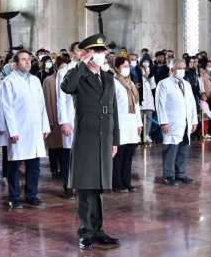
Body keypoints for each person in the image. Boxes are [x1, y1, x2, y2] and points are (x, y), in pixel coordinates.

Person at [60, 34, 120, 251]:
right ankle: (85, 232)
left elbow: (114, 111)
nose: (102, 55)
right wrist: (81, 65)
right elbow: (66, 88)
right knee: (86, 188)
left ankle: (98, 230)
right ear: (87, 54)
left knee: (98, 188)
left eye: (103, 52)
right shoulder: (77, 75)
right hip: (86, 139)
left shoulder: (109, 78)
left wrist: (116, 139)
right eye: (97, 52)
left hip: (104, 138)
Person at [0, 50, 51, 208]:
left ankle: (31, 194)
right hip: (19, 130)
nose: (28, 62)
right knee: (14, 165)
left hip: (34, 129)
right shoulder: (8, 82)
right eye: (23, 60)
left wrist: (45, 125)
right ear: (15, 64)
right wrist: (12, 130)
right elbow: (6, 108)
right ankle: (13, 197)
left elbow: (42, 105)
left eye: (29, 59)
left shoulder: (35, 80)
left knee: (34, 164)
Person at [155, 59, 198, 186]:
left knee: (183, 147)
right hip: (171, 122)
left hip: (185, 122)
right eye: (179, 68)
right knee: (170, 149)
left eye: (184, 68)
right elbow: (160, 104)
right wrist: (163, 122)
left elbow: (191, 103)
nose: (182, 71)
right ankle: (168, 175)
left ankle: (181, 174)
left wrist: (194, 120)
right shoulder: (164, 84)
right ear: (172, 69)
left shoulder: (187, 84)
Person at [112, 57, 142, 192]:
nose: (127, 68)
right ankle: (117, 183)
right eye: (124, 66)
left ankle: (127, 181)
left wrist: (139, 123)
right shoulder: (114, 83)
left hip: (131, 124)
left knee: (129, 155)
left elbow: (136, 105)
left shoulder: (131, 84)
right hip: (120, 124)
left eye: (128, 66)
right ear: (117, 67)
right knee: (119, 155)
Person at [57, 42, 82, 199]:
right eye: (80, 50)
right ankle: (68, 184)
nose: (82, 53)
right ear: (72, 53)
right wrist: (64, 121)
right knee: (69, 154)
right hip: (70, 118)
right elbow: (61, 99)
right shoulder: (65, 71)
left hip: (86, 119)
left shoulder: (89, 70)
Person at [43, 56, 66, 182]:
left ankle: (63, 170)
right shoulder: (49, 81)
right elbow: (47, 101)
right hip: (53, 118)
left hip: (65, 120)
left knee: (64, 148)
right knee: (53, 147)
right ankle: (54, 169)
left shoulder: (68, 79)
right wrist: (49, 121)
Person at [139, 60, 156, 144]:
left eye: (146, 70)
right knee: (139, 120)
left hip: (149, 102)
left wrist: (150, 77)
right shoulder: (138, 78)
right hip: (140, 103)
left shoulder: (150, 78)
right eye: (143, 69)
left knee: (148, 120)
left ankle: (146, 135)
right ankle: (138, 136)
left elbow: (153, 87)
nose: (145, 71)